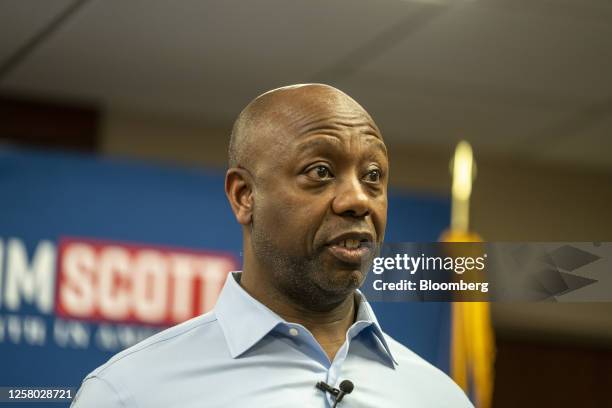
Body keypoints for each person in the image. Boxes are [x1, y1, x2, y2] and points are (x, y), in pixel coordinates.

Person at [71, 84, 473, 407]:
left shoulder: (440, 398)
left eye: (373, 176)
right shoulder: (129, 393)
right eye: (321, 171)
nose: (358, 200)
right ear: (245, 196)